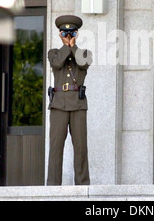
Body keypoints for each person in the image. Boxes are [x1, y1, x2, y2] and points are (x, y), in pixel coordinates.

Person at [47, 14, 92, 185]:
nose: (68, 36)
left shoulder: (84, 54)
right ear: (60, 34)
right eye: (64, 33)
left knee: (80, 148)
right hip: (58, 105)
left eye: (71, 33)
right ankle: (52, 186)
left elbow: (83, 64)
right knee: (56, 147)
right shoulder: (54, 53)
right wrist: (66, 45)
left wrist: (73, 46)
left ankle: (82, 185)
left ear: (76, 33)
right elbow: (57, 64)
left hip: (78, 105)